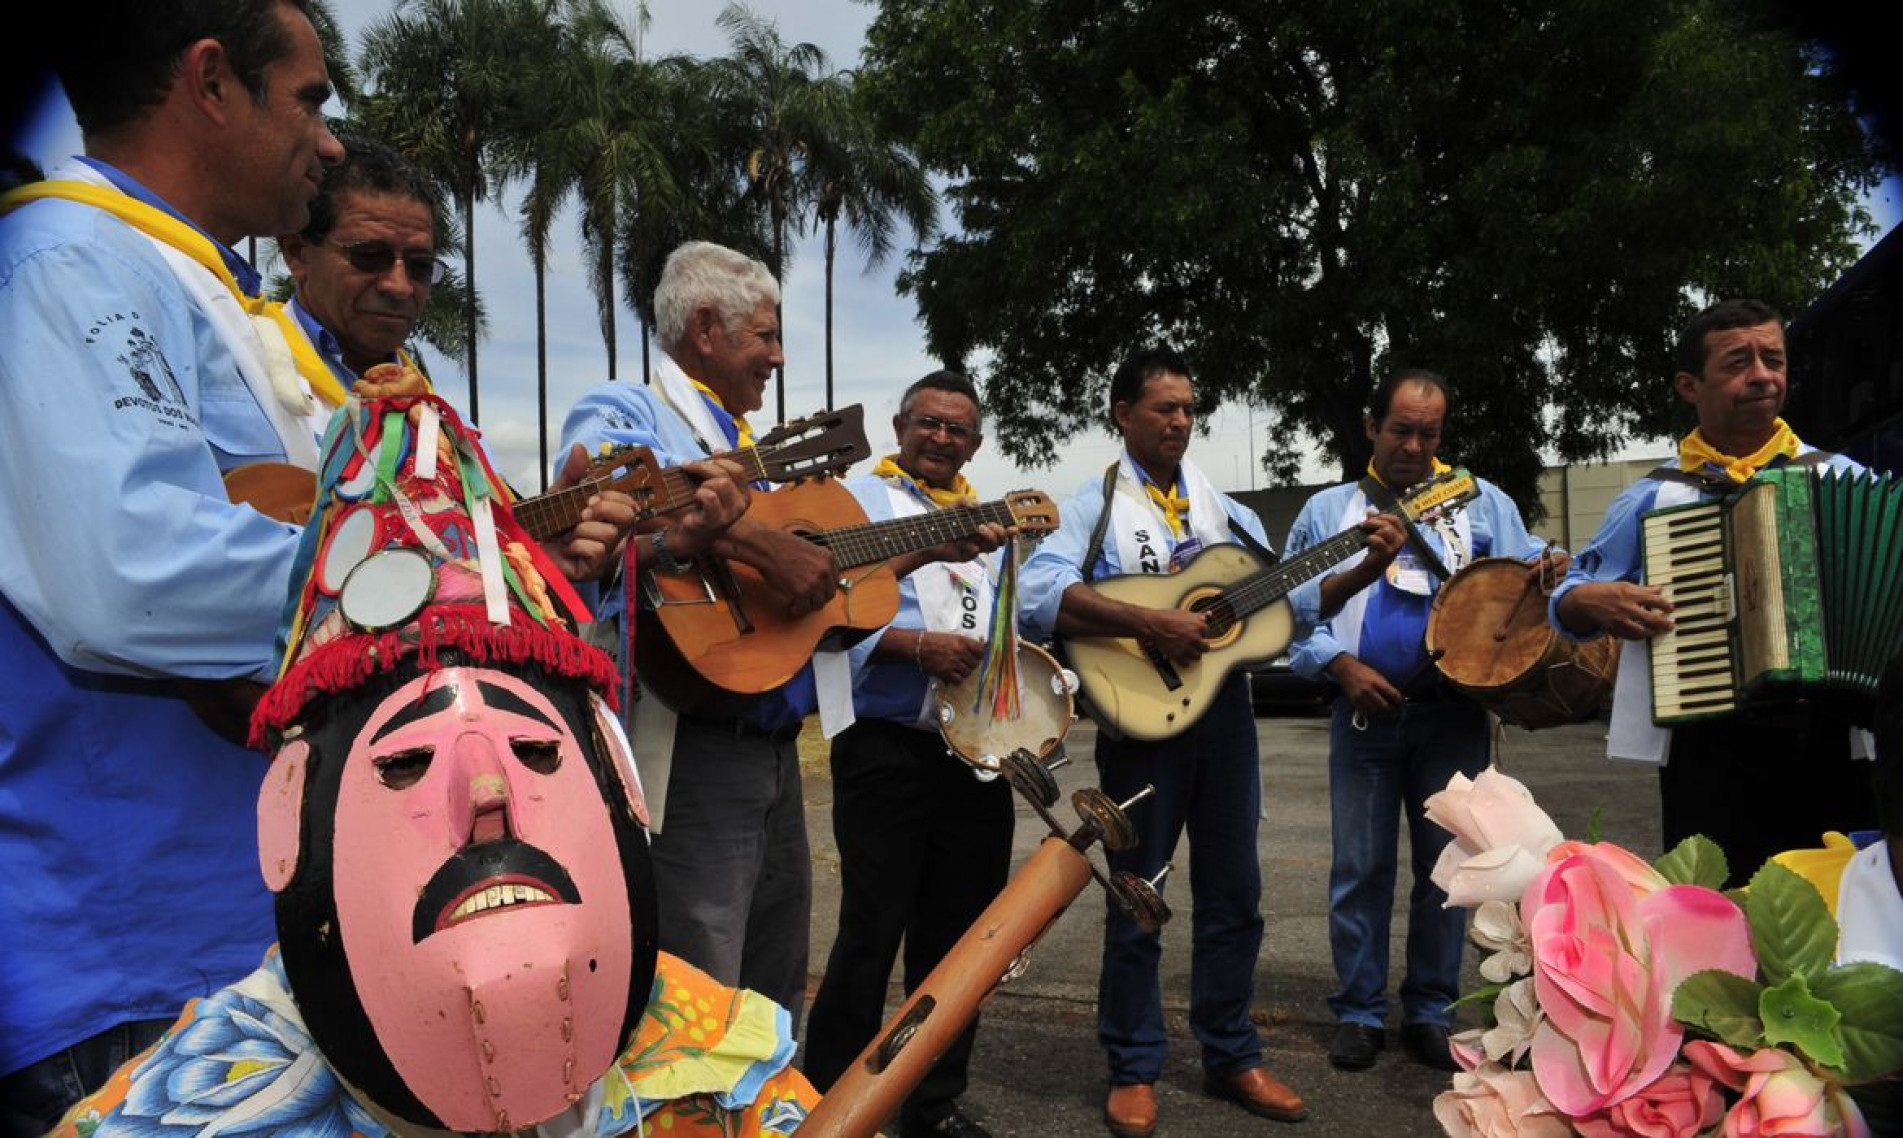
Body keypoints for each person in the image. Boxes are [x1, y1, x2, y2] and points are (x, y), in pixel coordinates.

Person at [52, 393, 815, 1137]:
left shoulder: (723, 1065)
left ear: (617, 772)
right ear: (287, 816)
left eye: (537, 752)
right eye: (405, 764)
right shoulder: (185, 1112)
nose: (486, 791)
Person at [0, 3, 345, 1129]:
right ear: (210, 82)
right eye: (310, 99)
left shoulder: (169, 277)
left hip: (231, 929)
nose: (330, 142)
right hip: (131, 954)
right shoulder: (65, 262)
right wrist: (401, 577)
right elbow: (132, 570)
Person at [1020, 346, 1316, 1137]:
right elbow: (1038, 594)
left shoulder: (1228, 513)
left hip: (1225, 721)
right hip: (1140, 721)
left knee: (1235, 895)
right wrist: (1151, 620)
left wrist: (1361, 564)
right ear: (1122, 414)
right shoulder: (1092, 503)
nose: (1181, 421)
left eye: (1189, 408)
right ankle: (1133, 1065)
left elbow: (1295, 603)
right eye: (1164, 407)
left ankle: (1231, 1052)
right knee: (1136, 898)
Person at [558, 240, 842, 1027]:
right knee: (697, 985)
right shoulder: (627, 410)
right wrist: (739, 540)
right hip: (693, 742)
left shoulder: (753, 446)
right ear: (707, 327)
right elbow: (601, 518)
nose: (779, 356)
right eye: (765, 335)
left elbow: (801, 581)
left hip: (775, 744)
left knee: (773, 980)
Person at [1282, 368, 1559, 1073]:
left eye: (1427, 433)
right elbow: (1289, 617)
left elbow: (1527, 573)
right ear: (1371, 427)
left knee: (1448, 871)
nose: (1411, 444)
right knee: (1358, 867)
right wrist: (1339, 668)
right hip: (1364, 717)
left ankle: (1430, 1010)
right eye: (1399, 429)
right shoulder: (1326, 513)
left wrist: (1552, 568)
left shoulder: (1480, 502)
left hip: (1455, 717)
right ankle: (1360, 1012)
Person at [1551, 298, 1879, 886]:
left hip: (1833, 741)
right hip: (1708, 748)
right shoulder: (1656, 497)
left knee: (1837, 925)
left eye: (1773, 360)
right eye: (1738, 362)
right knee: (1714, 921)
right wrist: (1591, 601)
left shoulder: (1844, 479)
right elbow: (1569, 595)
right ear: (1689, 385)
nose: (1762, 375)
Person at [802, 371, 1015, 1138]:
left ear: (975, 443)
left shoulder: (990, 526)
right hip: (885, 747)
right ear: (899, 427)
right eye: (927, 423)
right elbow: (826, 618)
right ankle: (825, 1101)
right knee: (869, 931)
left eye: (957, 429)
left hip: (974, 757)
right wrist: (911, 646)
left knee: (957, 947)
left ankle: (932, 1104)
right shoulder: (860, 505)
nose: (940, 438)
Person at [277, 134, 444, 387]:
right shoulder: (234, 367)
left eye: (420, 266)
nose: (400, 287)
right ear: (297, 253)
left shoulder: (442, 421)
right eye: (370, 257)